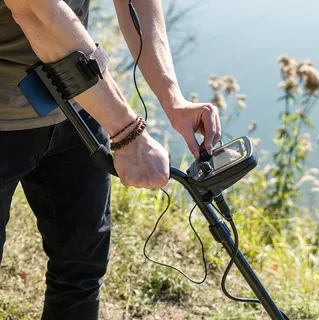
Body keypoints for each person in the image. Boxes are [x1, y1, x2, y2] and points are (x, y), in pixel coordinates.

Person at [0, 0, 221, 319]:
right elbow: (39, 15)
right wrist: (127, 131)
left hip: (79, 107)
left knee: (81, 271)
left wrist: (173, 99)